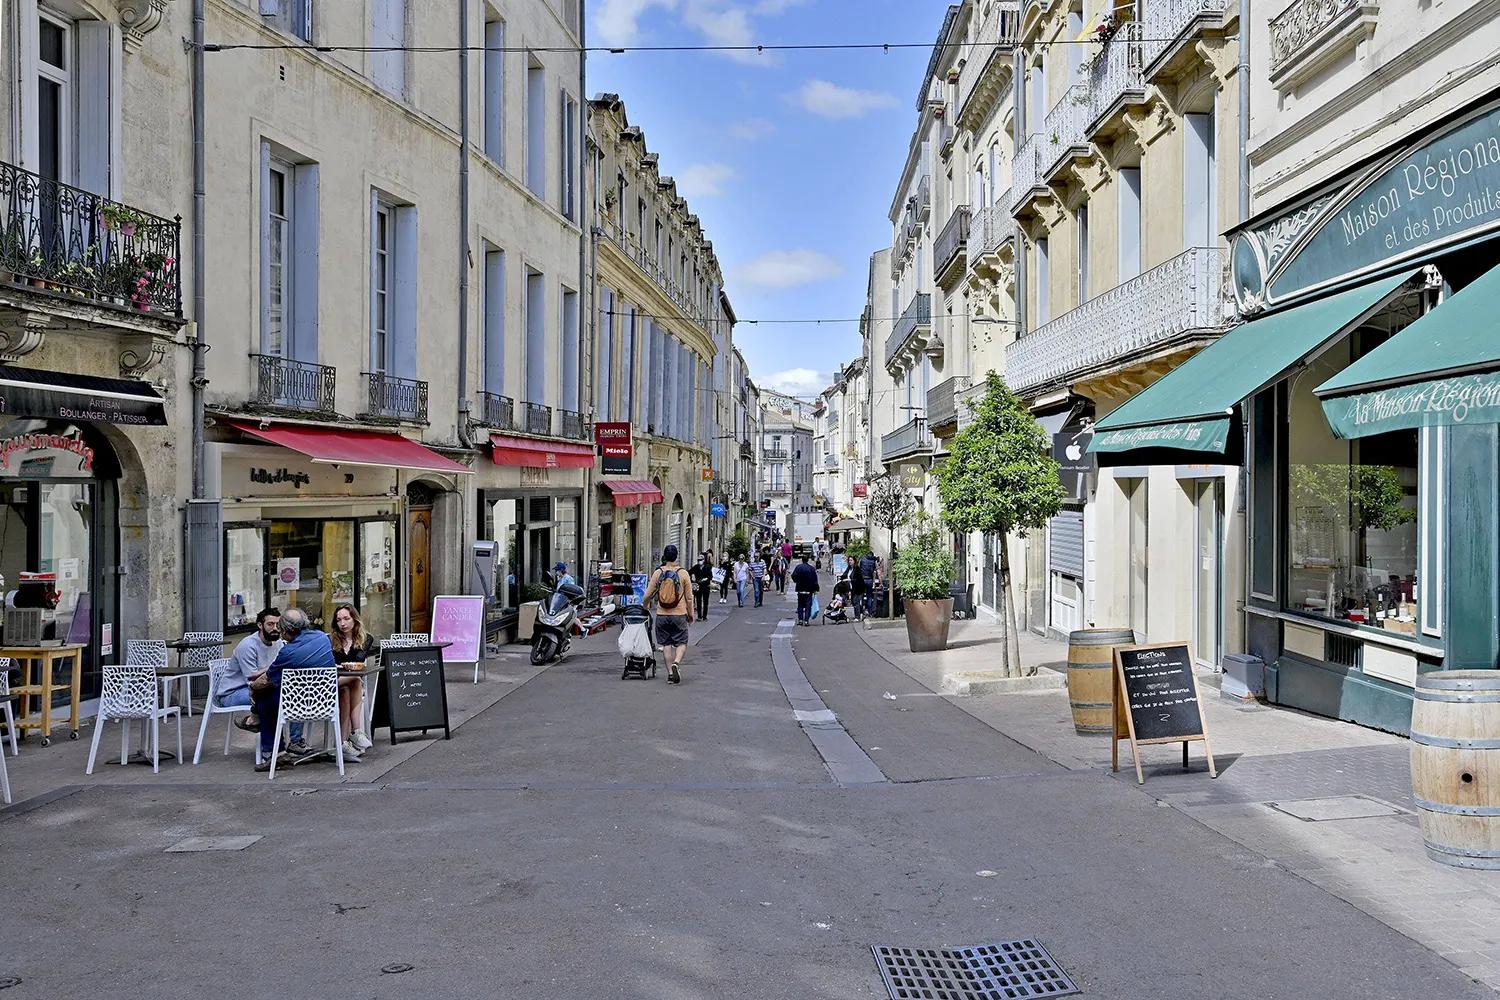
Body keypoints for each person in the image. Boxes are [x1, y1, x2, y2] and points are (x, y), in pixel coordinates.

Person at [249, 607, 335, 770]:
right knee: (276, 691)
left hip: (298, 706)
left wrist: (252, 687)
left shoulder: (287, 651)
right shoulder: (323, 638)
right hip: (326, 702)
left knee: (265, 699)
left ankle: (273, 751)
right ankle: (291, 741)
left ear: (285, 631)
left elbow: (265, 681)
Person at [222, 607, 287, 734]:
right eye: (270, 624)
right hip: (232, 693)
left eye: (278, 624)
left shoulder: (278, 642)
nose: (275, 628)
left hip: (262, 687)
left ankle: (291, 741)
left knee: (286, 696)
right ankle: (270, 747)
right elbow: (252, 680)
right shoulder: (248, 646)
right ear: (259, 625)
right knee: (271, 698)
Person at [328, 603, 376, 759]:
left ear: (355, 619)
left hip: (347, 685)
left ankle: (343, 743)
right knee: (355, 679)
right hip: (331, 682)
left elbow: (358, 661)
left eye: (346, 619)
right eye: (339, 620)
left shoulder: (366, 638)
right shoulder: (330, 639)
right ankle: (356, 732)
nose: (342, 623)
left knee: (348, 688)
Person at [643, 544, 693, 684]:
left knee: (666, 644)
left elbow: (647, 595)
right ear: (676, 557)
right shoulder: (683, 573)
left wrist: (645, 607)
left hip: (662, 614)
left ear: (664, 557)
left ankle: (670, 674)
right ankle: (676, 662)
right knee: (682, 642)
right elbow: (689, 598)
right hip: (679, 614)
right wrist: (691, 614)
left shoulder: (658, 573)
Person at [791, 554, 820, 627]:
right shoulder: (811, 569)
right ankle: (806, 620)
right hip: (809, 589)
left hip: (800, 588)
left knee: (800, 605)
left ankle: (800, 620)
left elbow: (793, 575)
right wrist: (816, 589)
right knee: (808, 605)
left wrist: (796, 581)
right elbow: (815, 580)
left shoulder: (798, 567)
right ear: (808, 560)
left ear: (802, 560)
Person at [689, 551, 714, 621]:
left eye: (701, 560)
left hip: (706, 585)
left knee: (705, 601)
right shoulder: (696, 567)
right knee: (698, 600)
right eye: (698, 560)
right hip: (698, 586)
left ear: (703, 560)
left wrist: (705, 579)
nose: (699, 561)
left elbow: (710, 576)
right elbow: (689, 572)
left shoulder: (707, 567)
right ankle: (699, 616)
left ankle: (705, 616)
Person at [859, 550, 880, 618]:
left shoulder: (862, 559)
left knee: (861, 596)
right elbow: (878, 572)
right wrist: (881, 582)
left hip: (862, 580)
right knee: (869, 596)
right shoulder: (874, 561)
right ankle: (870, 612)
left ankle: (862, 612)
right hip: (870, 580)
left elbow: (858, 569)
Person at [849, 556, 867, 621]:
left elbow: (858, 579)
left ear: (854, 561)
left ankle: (857, 617)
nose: (850, 562)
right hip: (853, 588)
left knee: (856, 601)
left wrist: (850, 580)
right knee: (854, 602)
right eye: (849, 560)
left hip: (858, 588)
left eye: (851, 560)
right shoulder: (849, 569)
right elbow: (845, 574)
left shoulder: (857, 569)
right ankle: (863, 612)